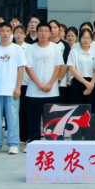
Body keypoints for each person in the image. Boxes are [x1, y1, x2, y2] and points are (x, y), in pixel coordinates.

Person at [0, 23, 26, 155]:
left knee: (12, 117)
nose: (5, 33)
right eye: (2, 31)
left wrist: (18, 87)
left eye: (8, 31)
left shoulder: (17, 49)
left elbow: (20, 69)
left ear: (11, 32)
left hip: (11, 89)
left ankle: (13, 144)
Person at [24, 23, 63, 151]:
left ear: (50, 33)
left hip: (52, 91)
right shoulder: (30, 48)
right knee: (33, 118)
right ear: (37, 32)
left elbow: (58, 66)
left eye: (46, 31)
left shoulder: (55, 48)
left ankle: (52, 144)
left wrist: (51, 83)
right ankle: (33, 142)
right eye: (41, 31)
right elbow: (28, 67)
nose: (43, 33)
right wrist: (39, 84)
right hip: (34, 91)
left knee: (52, 119)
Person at [67, 29, 95, 112]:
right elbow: (72, 69)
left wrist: (90, 85)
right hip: (77, 82)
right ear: (79, 39)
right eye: (84, 38)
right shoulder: (74, 52)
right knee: (77, 110)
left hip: (91, 83)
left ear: (91, 39)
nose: (86, 40)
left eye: (88, 38)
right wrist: (86, 83)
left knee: (91, 110)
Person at [12, 25, 31, 145]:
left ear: (25, 34)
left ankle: (25, 136)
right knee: (14, 112)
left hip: (27, 83)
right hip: (12, 84)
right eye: (16, 33)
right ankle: (17, 136)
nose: (18, 35)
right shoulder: (10, 47)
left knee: (25, 111)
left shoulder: (29, 48)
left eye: (21, 33)